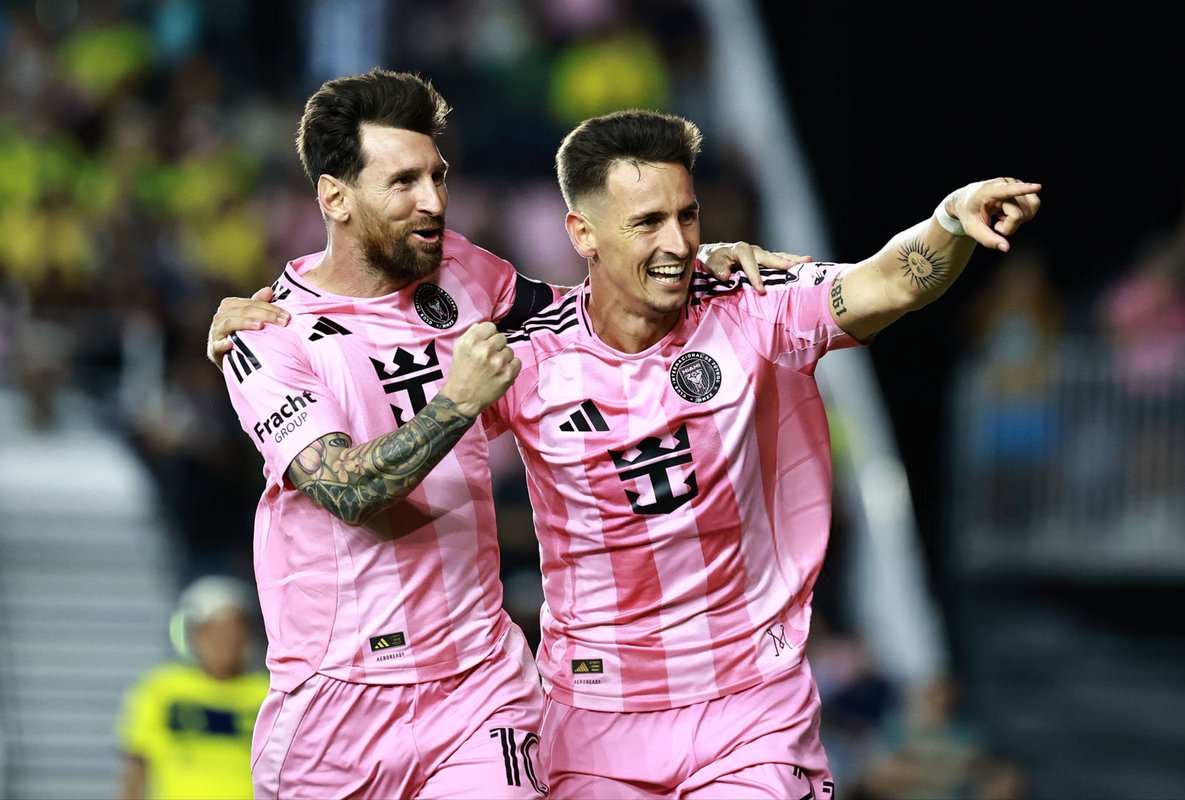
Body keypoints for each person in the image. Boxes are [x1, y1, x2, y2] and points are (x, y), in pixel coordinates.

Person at [208, 68, 796, 799]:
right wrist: (456, 403)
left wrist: (688, 264)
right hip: (337, 699)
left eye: (438, 175)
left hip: (480, 688)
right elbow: (345, 490)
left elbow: (595, 314)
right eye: (403, 182)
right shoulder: (269, 337)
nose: (434, 201)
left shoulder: (462, 271)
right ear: (336, 197)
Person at [478, 109, 1040, 798]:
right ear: (582, 232)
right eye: (647, 222)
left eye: (687, 217)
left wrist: (950, 221)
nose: (680, 243)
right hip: (594, 720)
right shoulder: (525, 359)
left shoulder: (752, 307)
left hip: (749, 710)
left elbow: (890, 281)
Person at [115, 574, 270, 800]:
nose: (224, 641)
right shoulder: (160, 688)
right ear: (193, 634)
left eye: (232, 630)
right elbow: (136, 768)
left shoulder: (268, 693)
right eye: (212, 630)